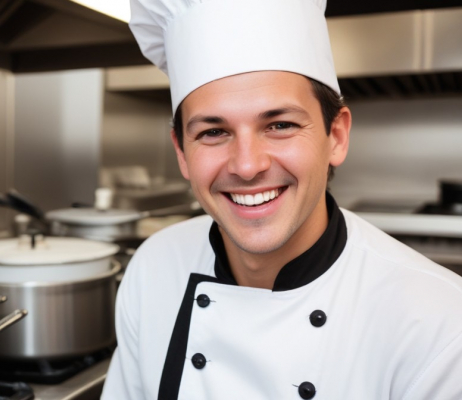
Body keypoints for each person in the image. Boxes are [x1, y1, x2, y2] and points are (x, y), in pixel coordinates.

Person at [101, 0, 462, 399]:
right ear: (182, 153)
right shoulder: (153, 269)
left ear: (336, 136)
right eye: (213, 132)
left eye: (279, 124)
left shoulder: (439, 326)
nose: (247, 165)